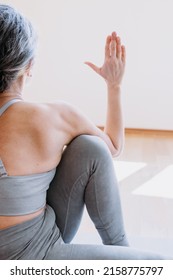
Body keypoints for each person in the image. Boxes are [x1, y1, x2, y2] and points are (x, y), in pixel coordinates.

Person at [0, 4, 170, 260]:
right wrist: (114, 85)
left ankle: (120, 254)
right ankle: (121, 254)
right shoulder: (52, 117)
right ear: (29, 65)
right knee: (159, 265)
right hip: (35, 259)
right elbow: (112, 146)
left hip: (40, 234)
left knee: (88, 149)